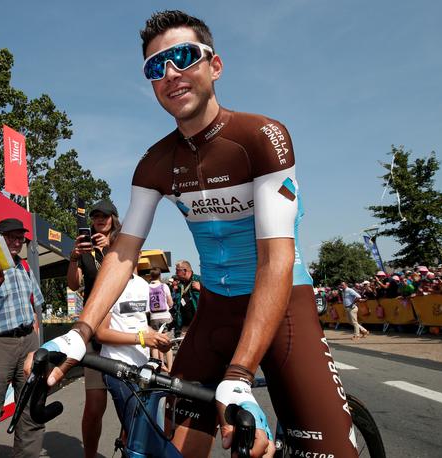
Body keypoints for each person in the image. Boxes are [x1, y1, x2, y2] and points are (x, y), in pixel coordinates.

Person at [36, 10, 358, 458]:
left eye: (183, 57)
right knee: (170, 449)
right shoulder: (154, 162)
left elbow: (276, 259)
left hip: (284, 304)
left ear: (215, 66)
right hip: (215, 312)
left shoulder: (262, 137)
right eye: (155, 67)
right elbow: (125, 250)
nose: (170, 73)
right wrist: (81, 331)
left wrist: (241, 375)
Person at [0, 218, 44, 458]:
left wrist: (35, 340)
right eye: (10, 236)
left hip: (28, 343)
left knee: (31, 408)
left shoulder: (24, 267)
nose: (16, 241)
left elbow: (34, 305)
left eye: (19, 237)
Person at [66, 199, 121, 458]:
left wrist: (111, 249)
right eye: (96, 216)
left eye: (105, 215)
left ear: (113, 218)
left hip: (122, 330)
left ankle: (130, 449)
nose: (100, 219)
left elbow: (133, 276)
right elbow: (74, 285)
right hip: (94, 328)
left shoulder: (123, 244)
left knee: (128, 403)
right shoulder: (84, 247)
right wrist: (74, 258)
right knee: (95, 404)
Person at [95, 263, 171, 436]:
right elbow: (101, 333)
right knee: (138, 432)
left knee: (143, 432)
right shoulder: (108, 283)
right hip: (117, 367)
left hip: (143, 368)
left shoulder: (142, 284)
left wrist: (158, 340)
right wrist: (143, 339)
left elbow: (141, 325)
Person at [146, 267, 174, 371]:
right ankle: (170, 368)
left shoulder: (147, 287)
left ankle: (157, 367)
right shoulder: (164, 286)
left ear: (150, 276)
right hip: (164, 316)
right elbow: (170, 302)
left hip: (153, 317)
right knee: (167, 342)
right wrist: (170, 306)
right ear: (160, 275)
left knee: (155, 342)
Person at [169, 260, 200, 337]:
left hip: (199, 325)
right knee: (185, 348)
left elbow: (213, 297)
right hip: (184, 326)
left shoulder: (199, 280)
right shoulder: (180, 285)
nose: (176, 273)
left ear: (184, 271)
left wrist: (201, 288)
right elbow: (177, 305)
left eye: (177, 270)